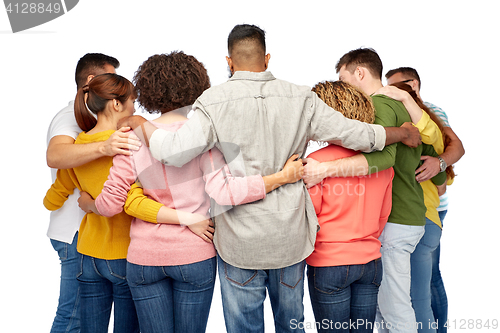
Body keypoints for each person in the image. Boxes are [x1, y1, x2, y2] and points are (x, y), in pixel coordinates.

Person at [118, 26, 420, 333]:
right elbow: (359, 135)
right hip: (289, 240)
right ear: (267, 58)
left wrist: (140, 121)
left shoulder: (213, 101)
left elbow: (174, 152)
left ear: (229, 61)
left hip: (239, 242)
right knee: (291, 327)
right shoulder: (301, 97)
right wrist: (402, 133)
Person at [77, 51, 304, 333]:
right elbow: (224, 192)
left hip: (144, 258)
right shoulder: (204, 136)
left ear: (147, 90)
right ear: (197, 87)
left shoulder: (132, 138)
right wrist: (279, 178)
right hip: (194, 255)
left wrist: (89, 205)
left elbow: (111, 205)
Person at [303, 48, 447, 333]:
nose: (344, 88)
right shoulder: (403, 105)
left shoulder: (379, 106)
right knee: (388, 309)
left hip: (392, 224)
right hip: (399, 223)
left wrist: (323, 169)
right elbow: (436, 148)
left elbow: (382, 159)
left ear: (360, 73)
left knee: (395, 309)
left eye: (344, 79)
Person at [45, 53, 140, 333]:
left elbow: (62, 183)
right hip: (79, 236)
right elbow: (56, 155)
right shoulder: (70, 119)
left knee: (83, 322)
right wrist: (106, 147)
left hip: (88, 244)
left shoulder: (89, 125)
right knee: (72, 318)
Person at [305, 80, 394, 333]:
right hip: (370, 263)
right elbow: (382, 216)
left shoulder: (315, 163)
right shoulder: (381, 164)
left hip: (329, 262)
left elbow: (310, 216)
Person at [385, 67, 464, 333]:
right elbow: (442, 184)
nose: (394, 93)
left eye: (399, 88)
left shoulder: (431, 116)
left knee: (423, 287)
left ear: (414, 85)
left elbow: (457, 147)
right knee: (419, 285)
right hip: (422, 216)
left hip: (426, 215)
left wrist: (439, 164)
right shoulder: (405, 124)